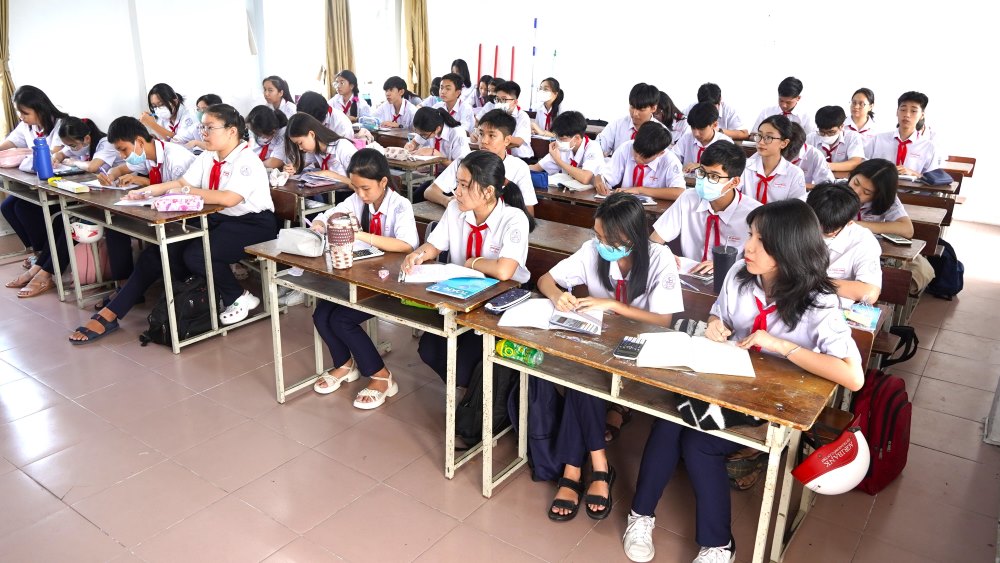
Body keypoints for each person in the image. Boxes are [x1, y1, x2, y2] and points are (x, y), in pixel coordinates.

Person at [623, 199, 864, 563]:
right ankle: (640, 515)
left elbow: (852, 376)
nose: (748, 247)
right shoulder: (739, 272)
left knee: (699, 443)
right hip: (726, 383)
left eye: (761, 241)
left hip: (773, 400)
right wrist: (715, 325)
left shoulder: (819, 300)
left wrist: (782, 346)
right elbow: (719, 314)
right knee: (670, 422)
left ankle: (718, 545)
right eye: (750, 235)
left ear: (789, 248)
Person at [68, 104, 277, 344]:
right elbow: (181, 183)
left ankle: (238, 296)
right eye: (202, 127)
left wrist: (187, 191)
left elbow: (229, 199)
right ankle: (112, 313)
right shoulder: (209, 156)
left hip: (253, 224)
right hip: (219, 218)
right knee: (160, 252)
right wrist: (148, 192)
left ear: (231, 131)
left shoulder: (247, 160)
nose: (204, 133)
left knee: (196, 254)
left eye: (210, 127)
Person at [539, 192, 683, 522]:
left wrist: (613, 305)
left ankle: (573, 470)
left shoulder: (659, 258)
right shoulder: (592, 250)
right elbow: (546, 279)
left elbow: (663, 320)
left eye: (608, 239)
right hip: (599, 345)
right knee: (581, 373)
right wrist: (558, 296)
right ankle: (597, 465)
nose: (600, 243)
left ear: (631, 237)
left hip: (642, 349)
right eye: (598, 235)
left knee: (581, 376)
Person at [403, 151, 534, 392]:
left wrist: (471, 263)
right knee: (429, 350)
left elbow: (504, 271)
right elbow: (434, 245)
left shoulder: (514, 218)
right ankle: (469, 391)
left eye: (465, 185)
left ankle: (474, 395)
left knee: (464, 364)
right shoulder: (455, 209)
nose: (457, 192)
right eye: (457, 183)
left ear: (488, 191)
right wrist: (417, 255)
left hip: (499, 300)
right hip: (461, 294)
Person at [308, 149, 419, 408]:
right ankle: (345, 365)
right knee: (321, 314)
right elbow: (332, 214)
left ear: (383, 182)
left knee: (342, 319)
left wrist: (361, 236)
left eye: (365, 188)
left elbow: (406, 244)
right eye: (355, 188)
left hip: (392, 283)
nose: (360, 194)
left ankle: (382, 377)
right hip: (363, 278)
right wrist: (320, 224)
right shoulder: (357, 200)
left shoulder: (400, 205)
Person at [652, 142, 760, 273]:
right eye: (702, 172)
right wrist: (664, 254)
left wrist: (724, 265)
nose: (704, 180)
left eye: (714, 176)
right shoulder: (688, 198)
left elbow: (763, 262)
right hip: (690, 274)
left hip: (733, 277)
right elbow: (654, 241)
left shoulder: (755, 214)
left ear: (734, 182)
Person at [1, 86, 68, 280]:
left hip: (57, 183)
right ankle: (38, 252)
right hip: (37, 179)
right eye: (19, 113)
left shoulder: (61, 125)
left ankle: (44, 255)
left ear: (40, 109)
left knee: (24, 208)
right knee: (7, 207)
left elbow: (54, 154)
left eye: (25, 113)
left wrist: (30, 156)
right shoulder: (27, 126)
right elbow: (11, 142)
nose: (22, 117)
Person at [423, 110, 535, 214]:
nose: (484, 141)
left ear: (507, 140)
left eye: (491, 135)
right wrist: (446, 200)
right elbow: (430, 191)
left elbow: (529, 211)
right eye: (481, 134)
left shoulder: (519, 167)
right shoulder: (465, 160)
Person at [807, 183, 882, 304]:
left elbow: (870, 292)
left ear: (849, 222)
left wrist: (814, 283)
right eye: (814, 227)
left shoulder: (863, 241)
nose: (818, 235)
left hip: (832, 308)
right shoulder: (793, 226)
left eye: (827, 232)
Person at [595, 121, 685, 201]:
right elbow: (607, 175)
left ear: (660, 153)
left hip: (655, 211)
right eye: (636, 152)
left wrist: (640, 190)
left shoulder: (670, 161)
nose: (637, 158)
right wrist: (600, 180)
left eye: (643, 157)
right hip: (625, 206)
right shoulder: (626, 147)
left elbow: (679, 192)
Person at [864, 91, 939, 176]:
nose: (907, 115)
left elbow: (934, 179)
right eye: (903, 110)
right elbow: (863, 166)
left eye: (913, 111)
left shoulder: (928, 147)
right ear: (897, 112)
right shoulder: (878, 140)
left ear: (922, 115)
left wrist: (913, 173)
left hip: (913, 185)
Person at [741, 115, 806, 203]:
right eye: (759, 135)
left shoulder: (795, 174)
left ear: (784, 143)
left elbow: (796, 207)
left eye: (768, 137)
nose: (761, 142)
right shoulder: (743, 166)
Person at [529, 111, 604, 185]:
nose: (558, 142)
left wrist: (558, 160)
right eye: (557, 138)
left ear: (577, 138)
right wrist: (521, 167)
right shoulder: (563, 148)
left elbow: (585, 178)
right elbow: (536, 168)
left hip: (591, 191)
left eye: (562, 139)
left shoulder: (593, 147)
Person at [282, 113, 357, 184]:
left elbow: (358, 184)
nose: (300, 148)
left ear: (311, 134)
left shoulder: (343, 147)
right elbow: (300, 164)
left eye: (300, 143)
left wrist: (329, 174)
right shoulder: (315, 149)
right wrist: (293, 168)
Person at [847, 158, 913, 237]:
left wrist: (854, 225)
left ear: (878, 195)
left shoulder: (887, 199)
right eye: (856, 183)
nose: (856, 192)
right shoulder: (836, 188)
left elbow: (907, 230)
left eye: (866, 192)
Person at [596, 83, 661, 156]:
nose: (635, 113)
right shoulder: (617, 125)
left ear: (653, 108)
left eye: (641, 110)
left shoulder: (660, 133)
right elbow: (597, 149)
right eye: (632, 107)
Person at [671, 102, 733, 171]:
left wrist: (702, 166)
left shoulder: (726, 143)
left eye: (701, 129)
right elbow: (672, 158)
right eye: (693, 128)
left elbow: (729, 169)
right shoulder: (687, 138)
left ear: (714, 125)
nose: (696, 134)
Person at [403, 107, 471, 167]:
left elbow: (462, 167)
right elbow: (415, 142)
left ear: (437, 129)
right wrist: (412, 144)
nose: (422, 136)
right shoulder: (427, 129)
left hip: (452, 175)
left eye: (424, 135)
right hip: (431, 172)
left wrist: (435, 154)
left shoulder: (457, 134)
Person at [52, 117, 120, 173]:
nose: (69, 148)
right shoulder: (75, 143)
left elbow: (92, 167)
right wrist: (55, 159)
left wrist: (74, 162)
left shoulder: (106, 143)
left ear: (87, 138)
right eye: (67, 145)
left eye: (72, 146)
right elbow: (60, 154)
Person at [751, 76, 816, 135]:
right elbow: (754, 134)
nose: (783, 105)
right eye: (781, 100)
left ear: (798, 98)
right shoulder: (766, 112)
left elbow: (811, 140)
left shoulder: (806, 117)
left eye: (788, 102)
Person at [807, 106, 864, 172]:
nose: (826, 136)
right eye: (822, 132)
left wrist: (825, 166)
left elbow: (855, 163)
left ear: (841, 126)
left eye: (831, 132)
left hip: (843, 178)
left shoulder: (852, 137)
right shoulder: (811, 138)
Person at [783, 122, 834, 189]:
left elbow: (828, 186)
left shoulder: (814, 155)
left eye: (790, 153)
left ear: (801, 145)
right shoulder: (771, 149)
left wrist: (798, 185)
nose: (786, 156)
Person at [491, 81, 534, 158]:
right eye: (498, 99)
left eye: (504, 99)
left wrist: (498, 142)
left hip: (522, 158)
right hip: (500, 156)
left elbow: (518, 142)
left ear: (515, 102)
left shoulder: (522, 116)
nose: (500, 103)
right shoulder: (495, 114)